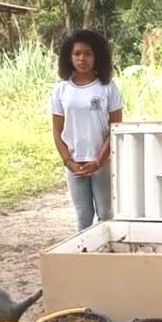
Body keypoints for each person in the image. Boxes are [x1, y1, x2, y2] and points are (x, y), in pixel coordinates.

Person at [51, 29, 123, 231]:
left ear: (97, 56)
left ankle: (107, 259)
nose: (82, 58)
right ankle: (83, 257)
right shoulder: (61, 90)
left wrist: (99, 160)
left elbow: (116, 128)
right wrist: (68, 161)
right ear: (69, 57)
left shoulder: (108, 88)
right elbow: (57, 131)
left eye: (88, 53)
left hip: (102, 162)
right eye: (77, 54)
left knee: (105, 213)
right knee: (83, 215)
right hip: (75, 163)